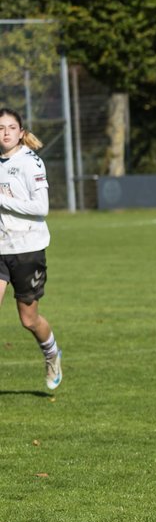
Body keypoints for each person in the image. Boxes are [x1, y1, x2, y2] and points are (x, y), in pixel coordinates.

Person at [0, 108, 61, 390]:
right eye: (1, 128)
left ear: (21, 132)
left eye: (11, 127)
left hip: (28, 249)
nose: (6, 132)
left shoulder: (30, 162)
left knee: (29, 319)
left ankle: (51, 354)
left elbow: (41, 207)